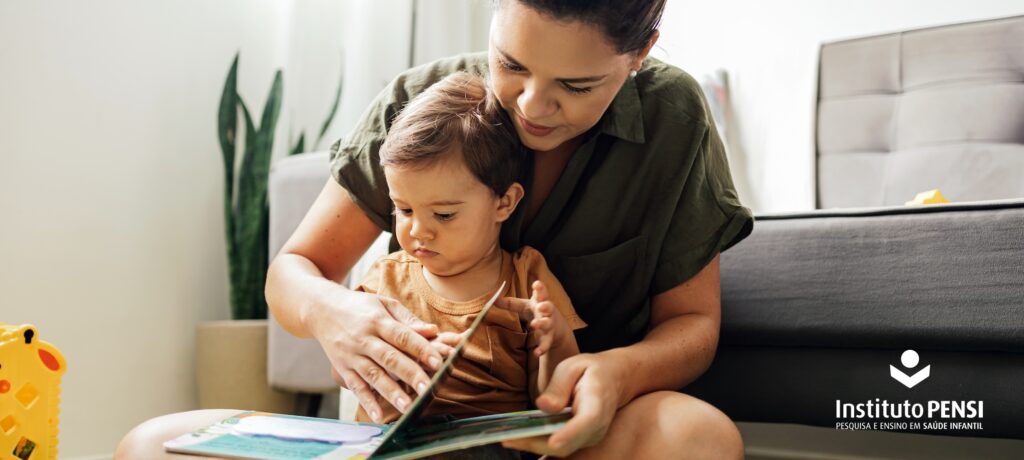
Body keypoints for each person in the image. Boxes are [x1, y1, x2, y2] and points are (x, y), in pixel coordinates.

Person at [117, 0, 753, 458]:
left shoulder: (674, 118)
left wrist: (617, 373)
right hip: (402, 437)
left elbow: (693, 326)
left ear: (640, 53)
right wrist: (332, 314)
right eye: (512, 63)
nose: (531, 105)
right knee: (148, 445)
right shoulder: (424, 103)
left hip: (562, 439)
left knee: (699, 438)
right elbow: (293, 272)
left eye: (577, 85)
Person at [350, 71, 586, 426]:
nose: (417, 231)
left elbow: (549, 399)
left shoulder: (526, 277)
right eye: (405, 209)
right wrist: (404, 354)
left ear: (504, 203)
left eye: (443, 215)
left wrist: (557, 341)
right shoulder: (385, 280)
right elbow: (346, 372)